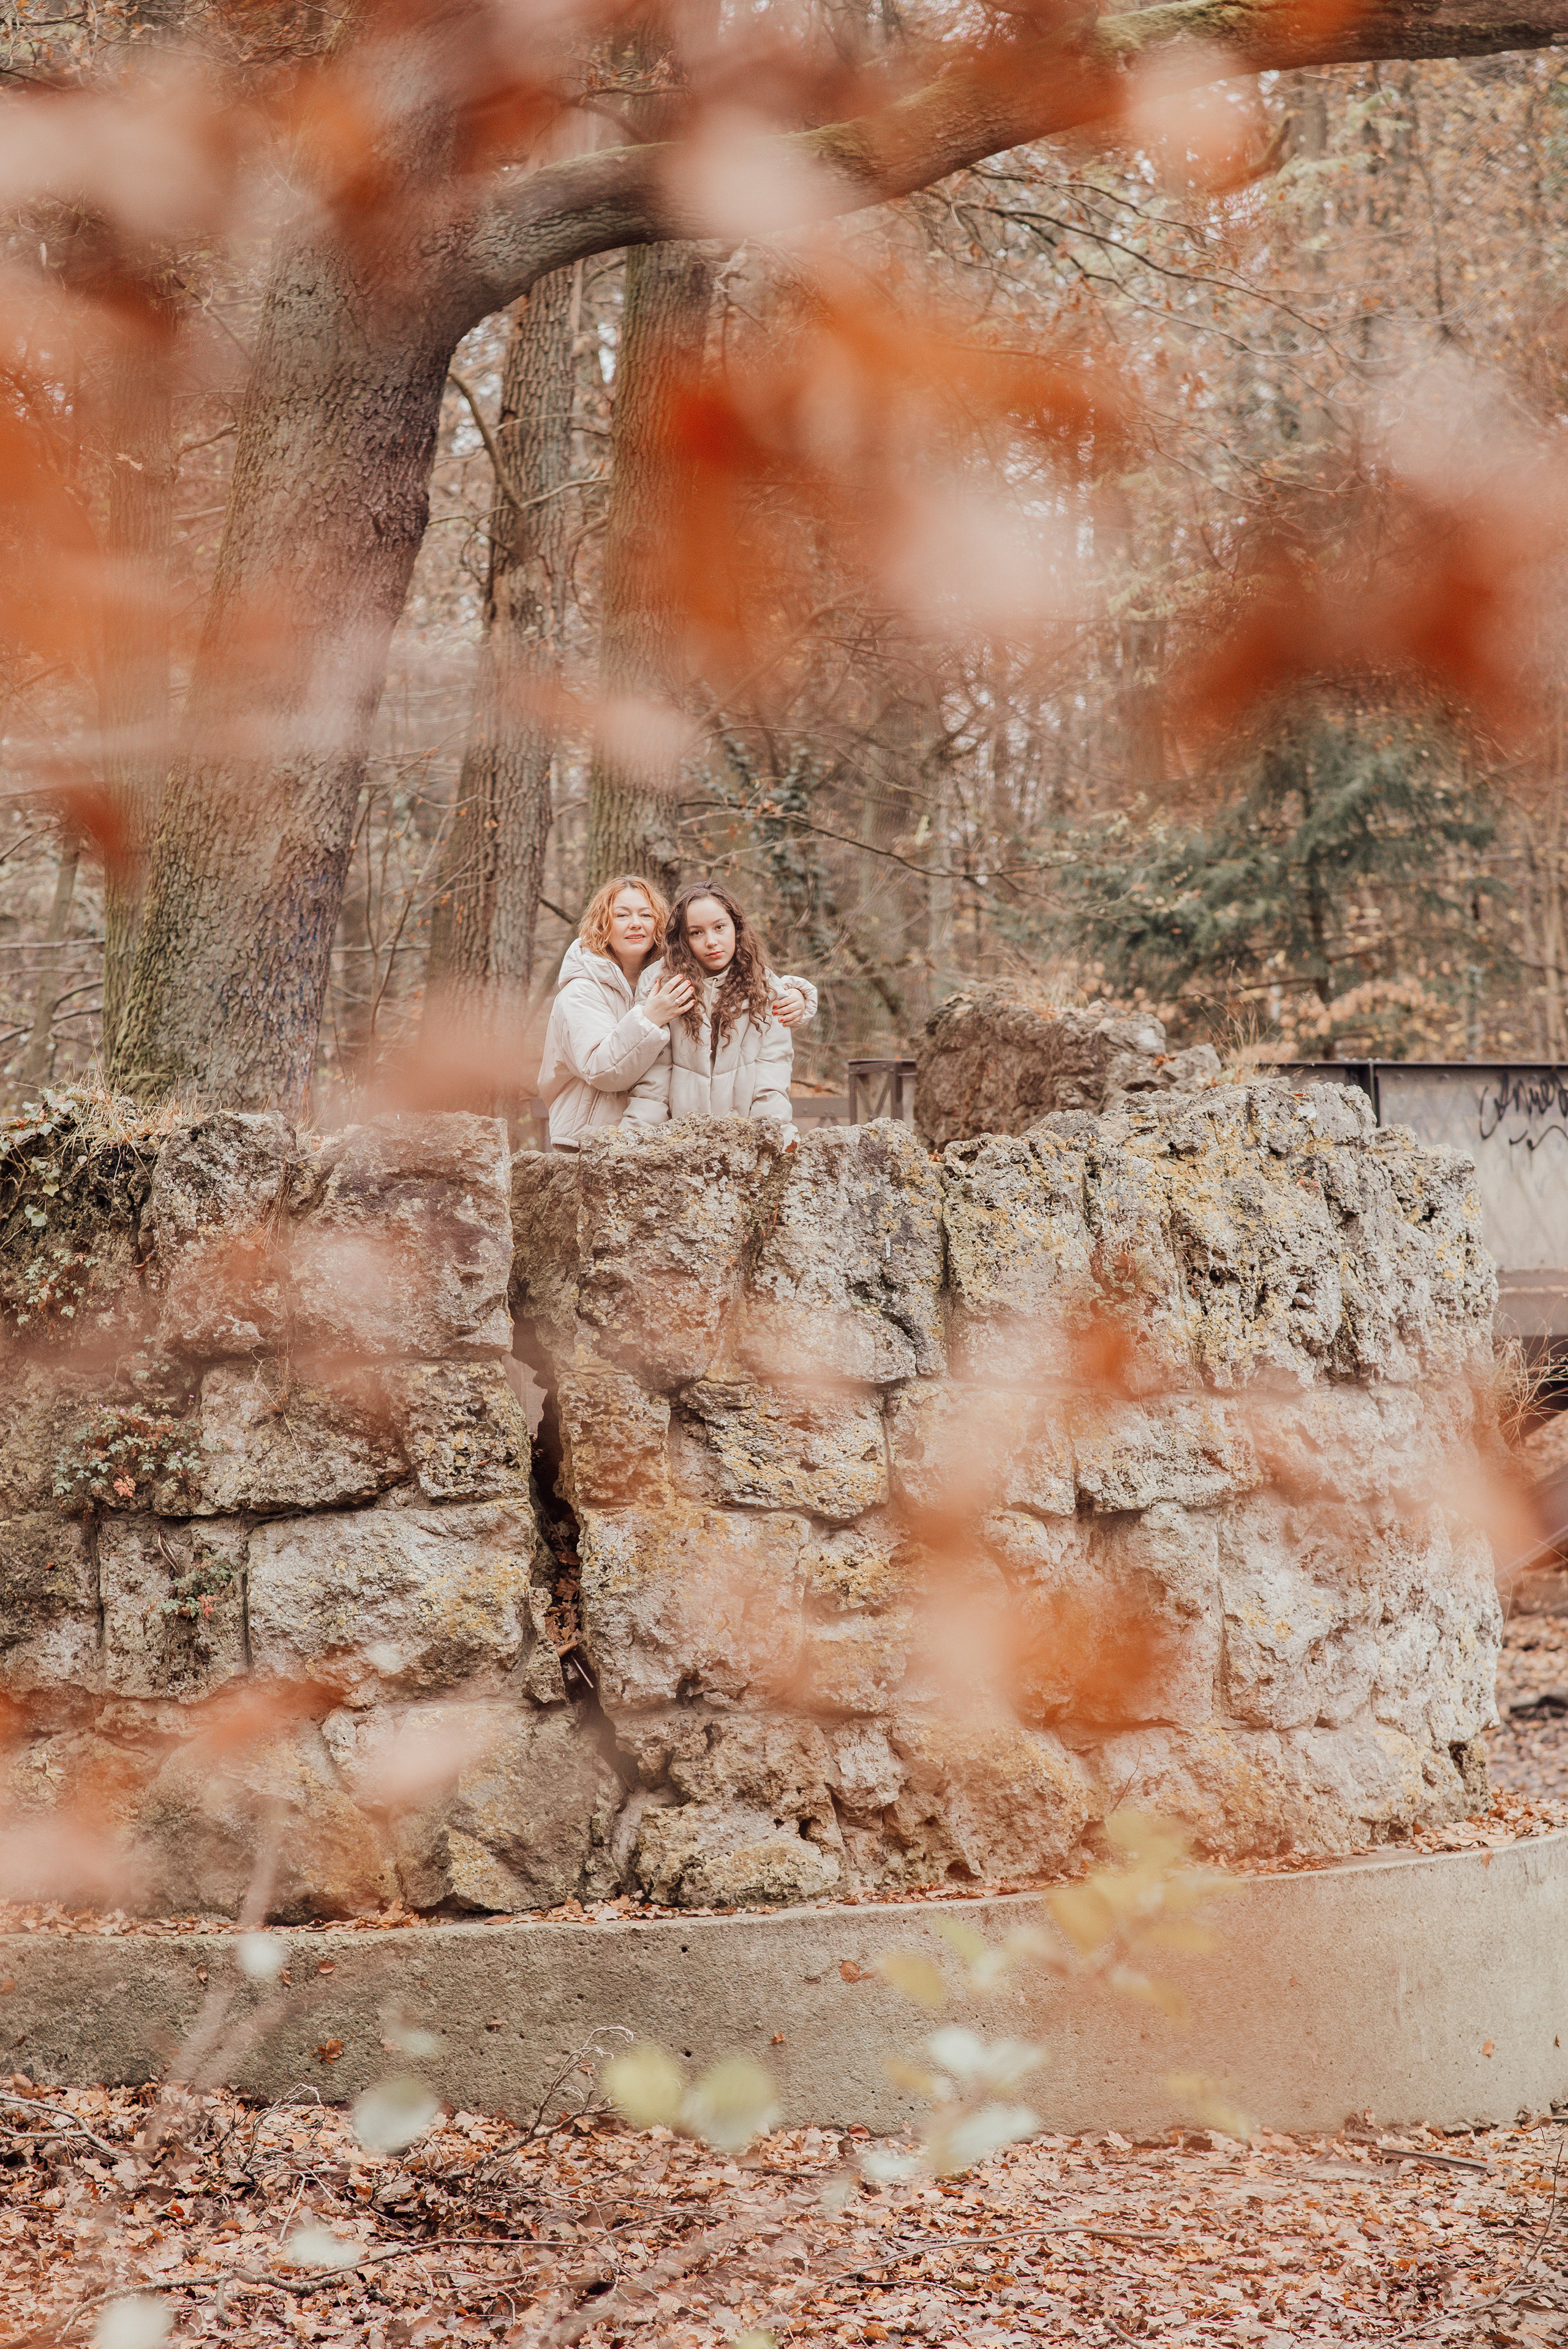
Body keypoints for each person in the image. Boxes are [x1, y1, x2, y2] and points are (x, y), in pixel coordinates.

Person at [625, 882, 816, 1134]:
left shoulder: (767, 988)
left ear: (736, 928)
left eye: (719, 927)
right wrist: (636, 1141)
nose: (711, 941)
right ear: (683, 939)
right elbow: (653, 1084)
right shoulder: (661, 984)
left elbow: (772, 1081)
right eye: (696, 933)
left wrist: (769, 1143)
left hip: (747, 1143)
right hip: (678, 1145)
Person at [536, 876, 694, 1150]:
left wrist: (795, 993)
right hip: (585, 1145)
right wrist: (649, 1019)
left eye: (646, 914)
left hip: (658, 1142)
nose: (636, 923)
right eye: (622, 915)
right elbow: (603, 1070)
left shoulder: (669, 979)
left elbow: (735, 980)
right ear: (603, 925)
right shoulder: (580, 991)